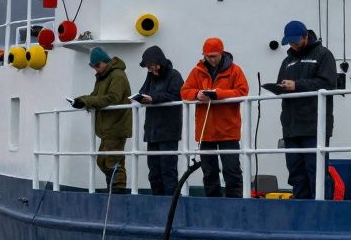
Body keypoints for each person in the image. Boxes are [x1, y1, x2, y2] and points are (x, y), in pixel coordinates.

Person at [180, 38, 249, 198]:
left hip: (228, 130)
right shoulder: (197, 71)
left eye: (214, 56)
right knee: (209, 171)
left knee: (231, 170)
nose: (211, 59)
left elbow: (242, 92)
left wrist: (218, 94)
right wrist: (196, 94)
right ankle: (212, 202)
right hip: (206, 130)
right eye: (208, 56)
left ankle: (235, 202)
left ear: (222, 53)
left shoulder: (235, 71)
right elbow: (185, 91)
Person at [276, 20, 337, 199]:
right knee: (296, 173)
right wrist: (279, 87)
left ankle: (323, 214)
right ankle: (300, 215)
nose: (292, 45)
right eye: (289, 42)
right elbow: (282, 83)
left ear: (305, 37)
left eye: (295, 40)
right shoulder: (287, 61)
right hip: (291, 126)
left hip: (314, 125)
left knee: (316, 172)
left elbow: (327, 83)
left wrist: (296, 85)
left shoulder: (324, 55)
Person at [71, 46, 132, 191]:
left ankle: (117, 192)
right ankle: (113, 188)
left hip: (116, 126)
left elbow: (113, 98)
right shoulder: (103, 76)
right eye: (93, 66)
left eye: (97, 65)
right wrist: (81, 101)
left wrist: (87, 101)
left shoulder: (117, 75)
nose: (96, 69)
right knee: (102, 161)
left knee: (112, 161)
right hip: (107, 127)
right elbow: (95, 95)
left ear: (105, 62)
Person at [131, 46, 184, 195]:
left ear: (159, 62)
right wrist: (138, 98)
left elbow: (176, 95)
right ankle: (157, 201)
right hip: (152, 131)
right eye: (148, 67)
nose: (150, 70)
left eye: (151, 66)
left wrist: (154, 98)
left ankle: (171, 204)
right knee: (154, 172)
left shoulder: (174, 76)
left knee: (168, 170)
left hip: (168, 131)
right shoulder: (151, 77)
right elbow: (143, 92)